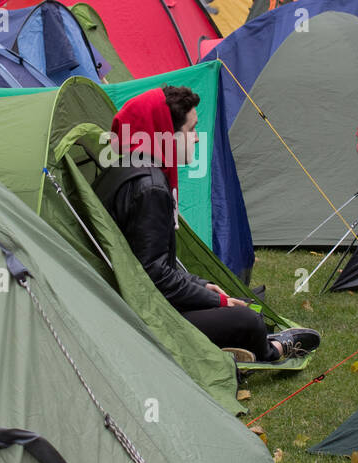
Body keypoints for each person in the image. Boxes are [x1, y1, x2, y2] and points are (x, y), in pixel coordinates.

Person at [97, 86, 320, 364]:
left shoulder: (126, 169)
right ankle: (272, 351)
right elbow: (155, 277)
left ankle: (236, 341)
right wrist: (217, 302)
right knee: (247, 318)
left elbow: (151, 264)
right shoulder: (150, 188)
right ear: (166, 133)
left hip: (135, 303)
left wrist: (202, 286)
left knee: (240, 300)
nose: (196, 140)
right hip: (148, 317)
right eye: (191, 130)